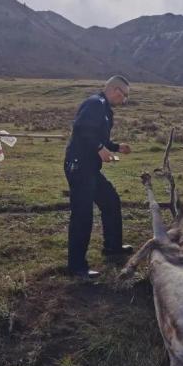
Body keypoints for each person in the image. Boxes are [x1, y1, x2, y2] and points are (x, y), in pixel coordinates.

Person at [64, 75, 133, 279]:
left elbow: (97, 136)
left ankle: (112, 247)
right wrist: (99, 147)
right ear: (116, 91)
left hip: (90, 168)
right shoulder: (95, 103)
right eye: (125, 95)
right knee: (82, 215)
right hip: (79, 167)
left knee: (111, 201)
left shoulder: (105, 109)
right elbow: (80, 128)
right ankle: (77, 267)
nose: (125, 100)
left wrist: (116, 147)